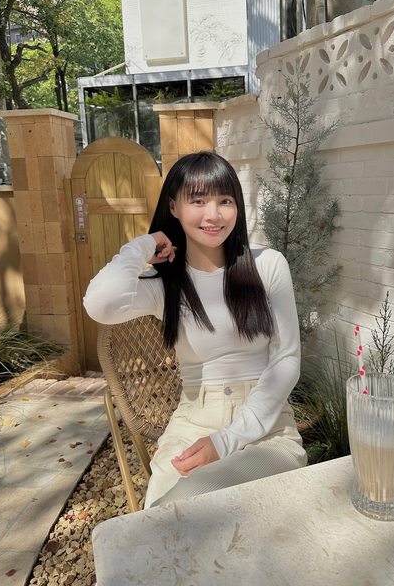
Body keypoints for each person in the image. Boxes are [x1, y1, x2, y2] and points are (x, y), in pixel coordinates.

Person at [83, 151, 307, 508]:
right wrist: (143, 245)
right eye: (198, 201)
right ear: (174, 206)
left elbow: (287, 359)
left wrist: (226, 441)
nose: (213, 214)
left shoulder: (267, 265)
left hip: (268, 427)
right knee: (164, 513)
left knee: (196, 498)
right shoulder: (164, 284)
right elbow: (100, 303)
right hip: (194, 424)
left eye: (225, 201)